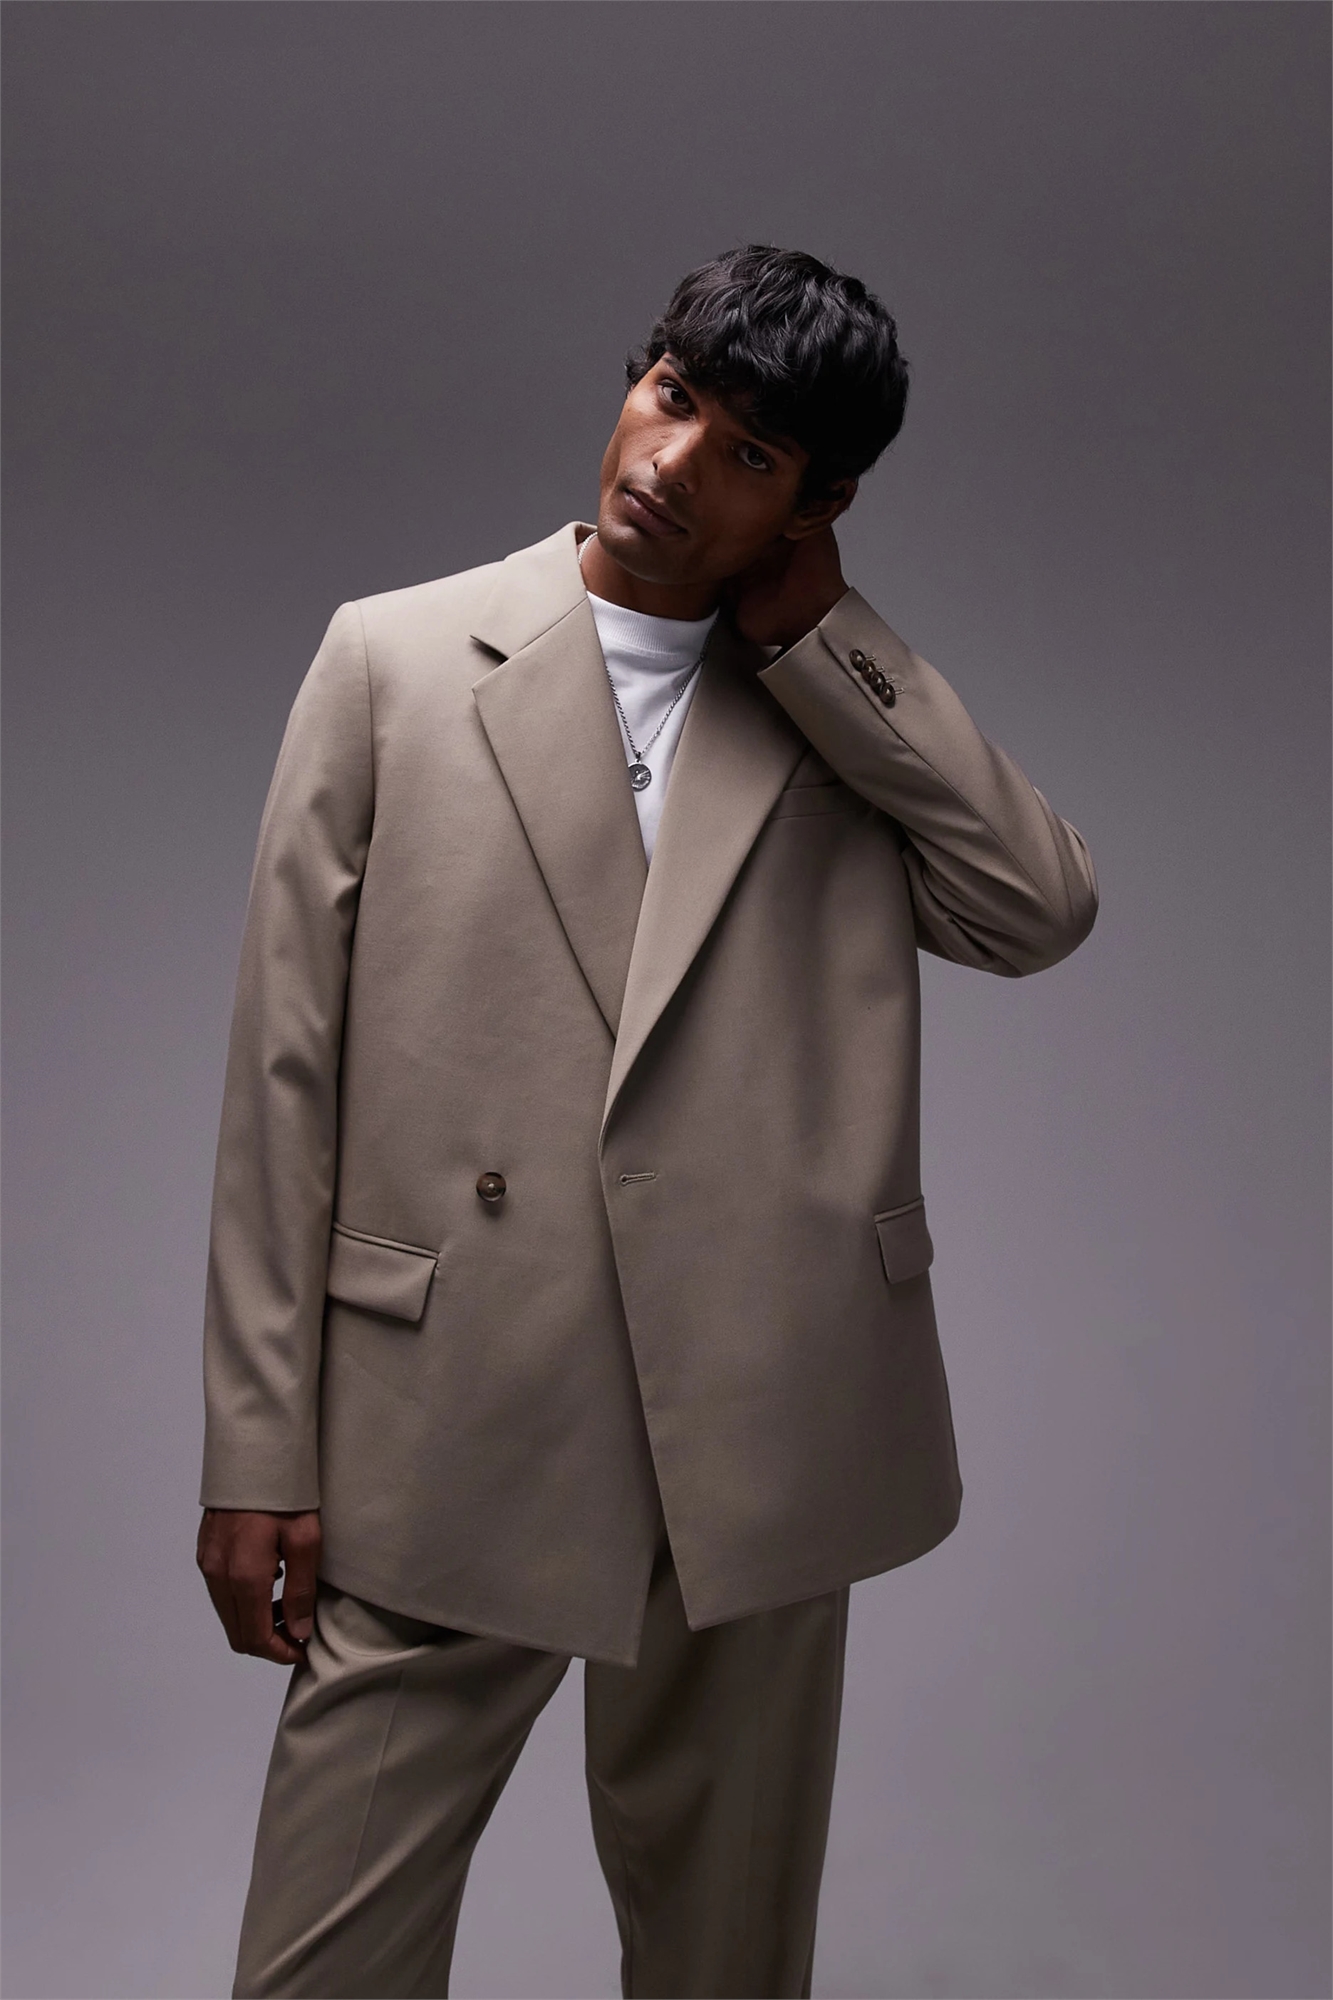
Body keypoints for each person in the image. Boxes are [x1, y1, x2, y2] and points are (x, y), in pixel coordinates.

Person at [196, 243, 1098, 2000]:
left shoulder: (828, 708)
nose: (673, 464)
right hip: (448, 1415)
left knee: (722, 1961)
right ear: (636, 379)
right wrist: (255, 1450)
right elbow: (278, 1075)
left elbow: (1034, 908)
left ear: (815, 509)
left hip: (754, 1426)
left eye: (749, 454)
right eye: (673, 398)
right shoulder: (391, 659)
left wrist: (828, 639)